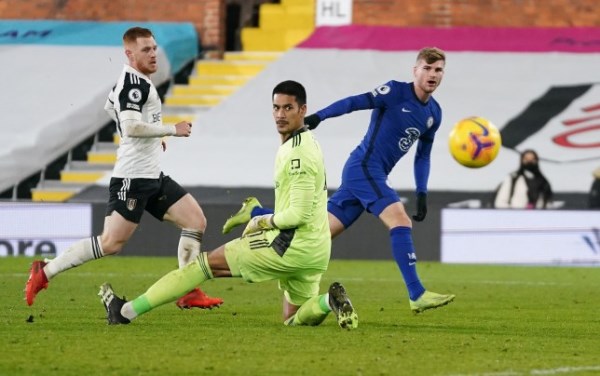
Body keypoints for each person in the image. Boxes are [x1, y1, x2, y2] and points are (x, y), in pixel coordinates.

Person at [98, 80, 358, 330]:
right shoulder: (305, 143)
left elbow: (297, 214)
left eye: (288, 108)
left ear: (303, 110)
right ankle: (328, 301)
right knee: (292, 318)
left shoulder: (298, 155)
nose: (280, 114)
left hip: (290, 246)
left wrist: (260, 221)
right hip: (316, 250)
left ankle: (125, 312)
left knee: (201, 266)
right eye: (276, 107)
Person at [223, 47, 455, 314]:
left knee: (320, 231)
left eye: (438, 70)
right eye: (426, 68)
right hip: (364, 168)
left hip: (370, 175)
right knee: (400, 220)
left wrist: (422, 192)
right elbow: (354, 102)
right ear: (415, 71)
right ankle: (417, 294)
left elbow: (423, 155)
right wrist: (320, 116)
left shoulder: (434, 114)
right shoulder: (395, 92)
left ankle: (255, 211)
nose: (432, 75)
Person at [25, 26, 222, 310]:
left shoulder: (134, 80)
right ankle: (44, 272)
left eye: (154, 48)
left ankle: (188, 290)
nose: (153, 54)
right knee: (110, 244)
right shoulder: (134, 85)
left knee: (195, 221)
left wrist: (152, 141)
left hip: (151, 174)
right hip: (132, 178)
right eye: (146, 50)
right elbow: (129, 126)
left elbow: (111, 108)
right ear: (129, 53)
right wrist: (170, 130)